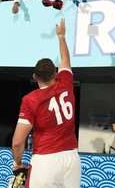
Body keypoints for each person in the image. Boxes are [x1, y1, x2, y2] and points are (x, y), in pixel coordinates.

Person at [12, 18, 81, 188]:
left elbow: (17, 142)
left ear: (34, 77)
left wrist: (18, 163)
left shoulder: (30, 100)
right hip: (72, 159)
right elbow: (66, 59)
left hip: (46, 160)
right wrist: (61, 36)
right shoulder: (65, 82)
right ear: (56, 73)